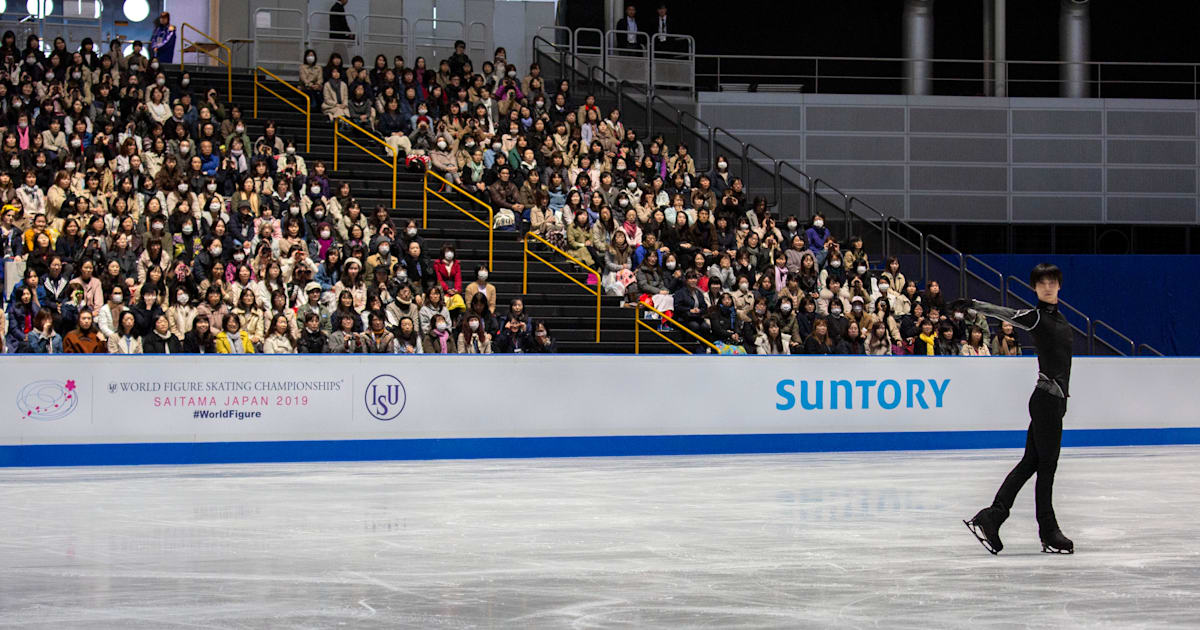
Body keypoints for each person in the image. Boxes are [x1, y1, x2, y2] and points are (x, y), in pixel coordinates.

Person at [964, 263, 1075, 555]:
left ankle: (993, 516)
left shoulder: (1062, 319)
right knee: (1046, 467)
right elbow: (1006, 314)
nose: (1048, 286)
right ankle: (1048, 530)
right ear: (1035, 288)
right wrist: (975, 305)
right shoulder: (1036, 317)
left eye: (1052, 281)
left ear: (1059, 286)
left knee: (1031, 463)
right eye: (1042, 283)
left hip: (1053, 402)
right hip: (1046, 402)